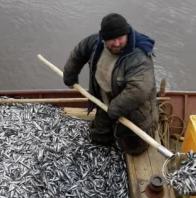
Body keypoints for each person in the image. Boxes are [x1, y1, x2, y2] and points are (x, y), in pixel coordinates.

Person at [62, 13, 158, 155]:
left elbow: (138, 91)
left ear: (127, 34)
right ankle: (106, 132)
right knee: (98, 138)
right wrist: (70, 76)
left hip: (133, 112)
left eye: (120, 38)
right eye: (112, 40)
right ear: (104, 38)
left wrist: (113, 110)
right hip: (104, 104)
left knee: (135, 149)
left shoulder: (139, 56)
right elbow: (79, 53)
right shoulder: (95, 43)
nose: (117, 43)